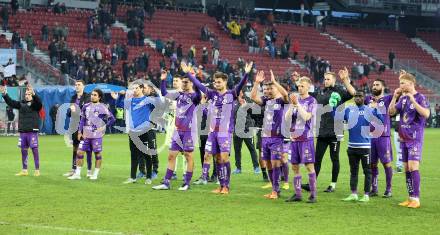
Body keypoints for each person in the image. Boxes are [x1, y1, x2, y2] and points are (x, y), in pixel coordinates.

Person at [186, 61, 253, 194]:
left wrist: (246, 73)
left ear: (225, 81)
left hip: (224, 132)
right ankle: (221, 185)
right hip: (213, 132)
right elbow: (199, 85)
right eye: (215, 82)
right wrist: (189, 74)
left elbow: (240, 85)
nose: (216, 84)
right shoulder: (212, 94)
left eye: (219, 82)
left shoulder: (232, 94)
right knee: (215, 158)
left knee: (224, 158)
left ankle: (226, 186)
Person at [302, 68, 356, 193]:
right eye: (325, 79)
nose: (325, 81)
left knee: (334, 158)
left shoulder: (340, 91)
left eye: (328, 79)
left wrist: (345, 80)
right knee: (317, 158)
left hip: (335, 131)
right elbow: (307, 94)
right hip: (322, 130)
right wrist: (298, 82)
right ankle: (312, 183)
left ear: (334, 80)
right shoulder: (320, 92)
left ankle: (332, 184)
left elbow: (353, 93)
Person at [152, 70, 201, 190]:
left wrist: (194, 79)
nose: (184, 84)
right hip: (177, 131)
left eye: (186, 82)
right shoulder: (179, 95)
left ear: (191, 83)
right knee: (171, 156)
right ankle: (166, 182)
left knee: (188, 156)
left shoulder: (195, 96)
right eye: (183, 82)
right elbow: (164, 93)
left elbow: (199, 94)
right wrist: (163, 80)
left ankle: (186, 183)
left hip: (189, 131)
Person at [389, 72, 430, 209]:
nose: (400, 86)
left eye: (402, 83)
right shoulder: (403, 98)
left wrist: (413, 100)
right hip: (403, 138)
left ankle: (416, 199)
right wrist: (395, 97)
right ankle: (410, 197)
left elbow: (426, 114)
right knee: (406, 168)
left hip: (415, 138)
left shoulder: (420, 97)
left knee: (413, 167)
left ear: (411, 84)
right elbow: (391, 112)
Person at [112, 81, 162, 184]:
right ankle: (133, 177)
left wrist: (155, 93)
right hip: (133, 132)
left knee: (147, 154)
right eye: (133, 89)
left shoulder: (148, 100)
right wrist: (120, 96)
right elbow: (119, 105)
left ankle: (148, 177)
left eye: (136, 88)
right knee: (134, 155)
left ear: (141, 89)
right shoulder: (130, 100)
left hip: (145, 131)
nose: (134, 90)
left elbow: (159, 104)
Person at [250, 70, 289, 200]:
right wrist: (256, 83)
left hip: (277, 138)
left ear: (276, 89)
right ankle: (274, 189)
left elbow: (286, 94)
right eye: (265, 89)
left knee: (275, 163)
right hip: (265, 137)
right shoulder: (266, 101)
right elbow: (253, 97)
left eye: (270, 88)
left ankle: (276, 190)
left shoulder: (281, 101)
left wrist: (275, 82)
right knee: (268, 163)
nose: (267, 91)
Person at [340, 91, 383, 203]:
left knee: (367, 171)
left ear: (364, 98)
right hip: (352, 146)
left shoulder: (370, 109)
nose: (358, 98)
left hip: (365, 146)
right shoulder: (349, 109)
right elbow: (338, 117)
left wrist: (376, 108)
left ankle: (366, 195)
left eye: (360, 96)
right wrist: (335, 104)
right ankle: (353, 193)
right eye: (356, 96)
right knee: (353, 171)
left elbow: (381, 121)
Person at [68, 89, 115, 180]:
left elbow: (112, 119)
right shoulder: (86, 106)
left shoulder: (102, 107)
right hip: (85, 134)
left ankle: (95, 174)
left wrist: (103, 127)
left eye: (95, 95)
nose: (92, 96)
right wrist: (79, 132)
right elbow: (82, 120)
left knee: (97, 154)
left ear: (99, 97)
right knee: (79, 152)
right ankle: (77, 174)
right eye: (92, 94)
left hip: (96, 135)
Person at [284, 76, 318, 203]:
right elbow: (287, 118)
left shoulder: (312, 101)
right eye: (298, 86)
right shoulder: (295, 100)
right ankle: (297, 194)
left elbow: (307, 117)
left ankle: (313, 195)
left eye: (302, 86)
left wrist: (297, 104)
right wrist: (292, 105)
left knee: (309, 167)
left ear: (308, 87)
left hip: (306, 139)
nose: (300, 88)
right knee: (294, 167)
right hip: (294, 139)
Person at [1, 84, 42, 176]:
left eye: (29, 94)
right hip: (23, 131)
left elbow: (39, 104)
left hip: (32, 131)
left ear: (32, 95)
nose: (27, 95)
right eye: (26, 94)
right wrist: (4, 93)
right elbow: (11, 102)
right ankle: (24, 170)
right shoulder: (21, 104)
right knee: (23, 151)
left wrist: (34, 94)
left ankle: (37, 170)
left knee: (34, 150)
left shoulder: (36, 105)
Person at [364, 79, 394, 197]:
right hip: (371, 137)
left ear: (383, 87)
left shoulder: (387, 99)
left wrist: (403, 78)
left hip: (383, 136)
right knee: (372, 164)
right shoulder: (368, 99)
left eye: (377, 85)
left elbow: (400, 93)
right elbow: (354, 93)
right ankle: (374, 188)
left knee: (386, 163)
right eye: (374, 85)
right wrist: (346, 80)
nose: (374, 86)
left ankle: (389, 189)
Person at [63, 80, 93, 178]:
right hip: (74, 126)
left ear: (83, 86)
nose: (77, 86)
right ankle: (74, 169)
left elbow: (87, 110)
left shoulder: (88, 97)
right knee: (75, 148)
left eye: (79, 85)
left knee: (87, 149)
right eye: (75, 85)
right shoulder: (73, 97)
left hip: (85, 126)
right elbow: (69, 113)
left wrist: (77, 109)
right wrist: (70, 110)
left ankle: (89, 170)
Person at [232, 90, 259, 175]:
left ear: (242, 92)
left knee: (252, 149)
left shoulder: (248, 100)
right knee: (237, 150)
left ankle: (256, 167)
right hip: (237, 131)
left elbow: (256, 111)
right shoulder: (234, 102)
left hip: (247, 130)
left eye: (239, 90)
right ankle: (238, 168)